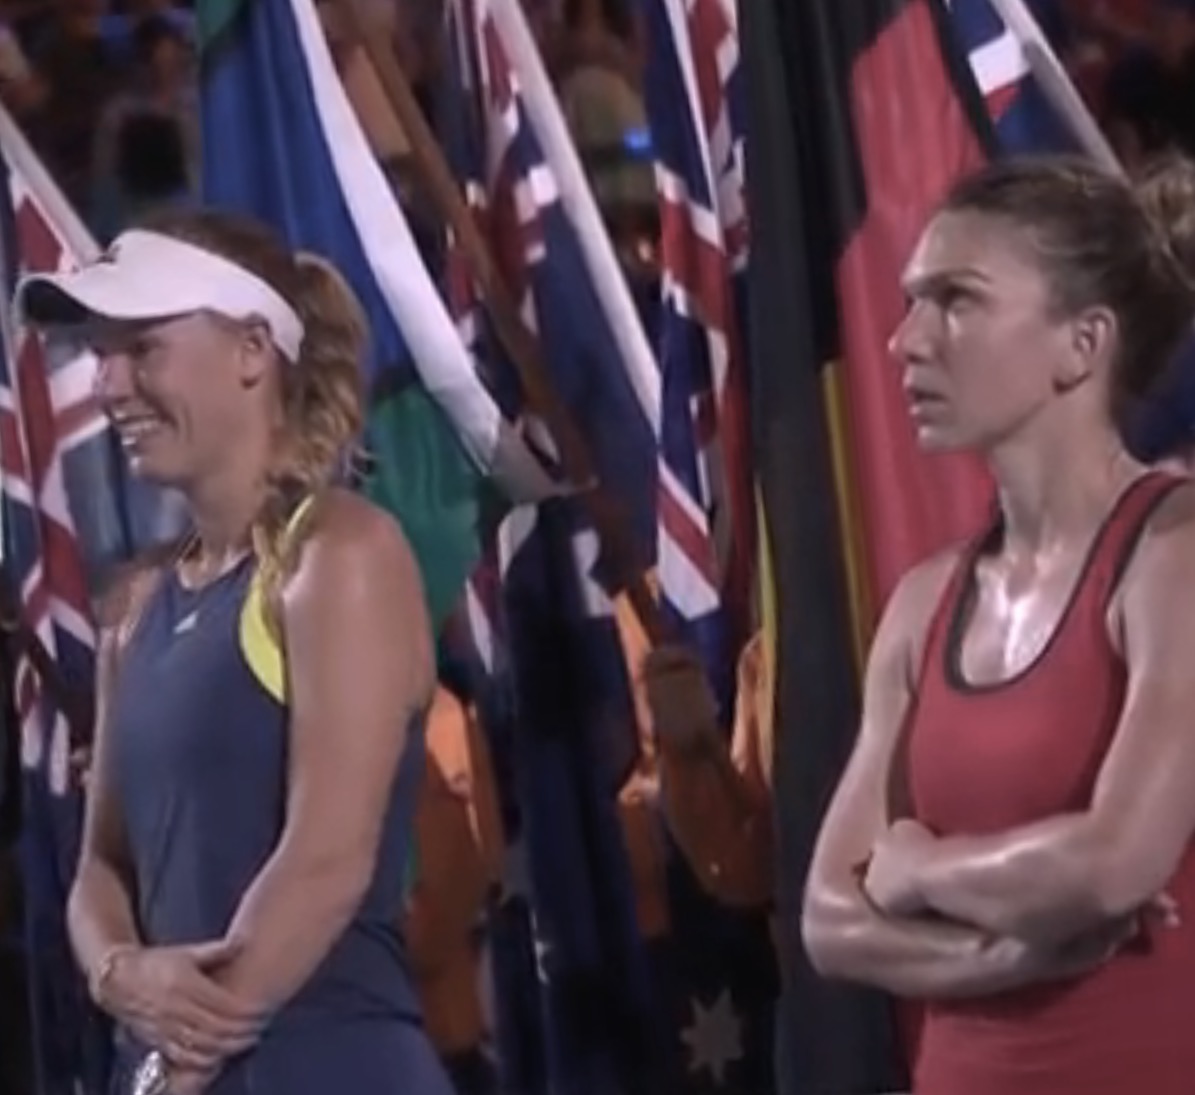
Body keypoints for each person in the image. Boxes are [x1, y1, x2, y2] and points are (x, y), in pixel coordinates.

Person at [17, 210, 453, 1095]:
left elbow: (327, 859)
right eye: (102, 354)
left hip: (327, 1066)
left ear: (253, 350)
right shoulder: (135, 604)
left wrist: (176, 1064)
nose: (108, 384)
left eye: (142, 348)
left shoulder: (343, 553)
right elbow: (102, 864)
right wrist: (117, 973)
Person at [802, 155, 1195, 1095]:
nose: (904, 340)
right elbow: (827, 919)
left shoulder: (1173, 551)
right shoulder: (922, 603)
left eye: (956, 301)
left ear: (1081, 344)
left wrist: (917, 869)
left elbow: (1111, 862)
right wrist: (1009, 954)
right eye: (911, 301)